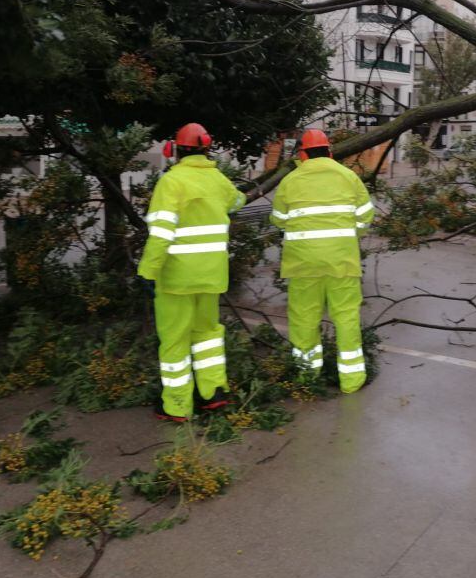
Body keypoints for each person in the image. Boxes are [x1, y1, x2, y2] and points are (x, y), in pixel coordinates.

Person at [137, 122, 247, 422]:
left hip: (176, 279)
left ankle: (177, 405)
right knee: (208, 335)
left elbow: (161, 232)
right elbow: (238, 200)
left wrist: (147, 271)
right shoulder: (218, 179)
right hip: (211, 276)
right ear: (206, 149)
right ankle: (213, 393)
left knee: (175, 340)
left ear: (175, 150)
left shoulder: (171, 182)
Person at [270, 129, 374, 393]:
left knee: (304, 319)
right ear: (329, 151)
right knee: (346, 317)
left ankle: (307, 377)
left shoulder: (291, 180)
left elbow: (279, 220)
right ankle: (351, 380)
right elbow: (365, 217)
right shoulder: (348, 177)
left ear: (302, 154)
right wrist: (347, 237)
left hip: (303, 263)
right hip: (342, 261)